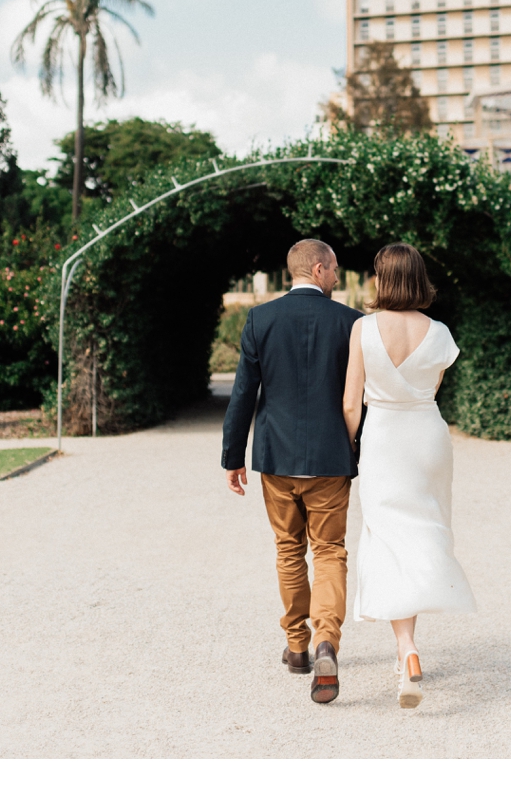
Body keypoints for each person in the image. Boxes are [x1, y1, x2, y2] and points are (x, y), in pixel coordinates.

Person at [222, 238, 362, 705]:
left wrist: (232, 456)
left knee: (288, 550)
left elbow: (243, 393)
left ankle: (298, 647)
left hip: (277, 459)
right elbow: (361, 398)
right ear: (319, 269)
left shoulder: (262, 319)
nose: (338, 276)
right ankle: (327, 642)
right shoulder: (351, 323)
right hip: (329, 458)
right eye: (335, 269)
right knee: (329, 551)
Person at [343, 242, 476, 710]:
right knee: (425, 527)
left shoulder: (363, 329)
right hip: (427, 438)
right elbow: (432, 389)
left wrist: (351, 447)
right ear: (419, 278)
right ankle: (408, 651)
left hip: (383, 437)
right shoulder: (438, 332)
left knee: (385, 534)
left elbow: (349, 402)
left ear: (383, 279)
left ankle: (406, 648)